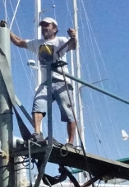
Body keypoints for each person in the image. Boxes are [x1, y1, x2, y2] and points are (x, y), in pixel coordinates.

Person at [9, 17, 78, 145]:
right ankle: (37, 133)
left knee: (67, 111)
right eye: (42, 25)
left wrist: (73, 37)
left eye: (47, 25)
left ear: (55, 29)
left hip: (61, 81)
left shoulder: (61, 40)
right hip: (46, 83)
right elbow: (18, 42)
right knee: (38, 104)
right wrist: (7, 32)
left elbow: (72, 46)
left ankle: (71, 142)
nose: (44, 28)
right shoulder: (37, 43)